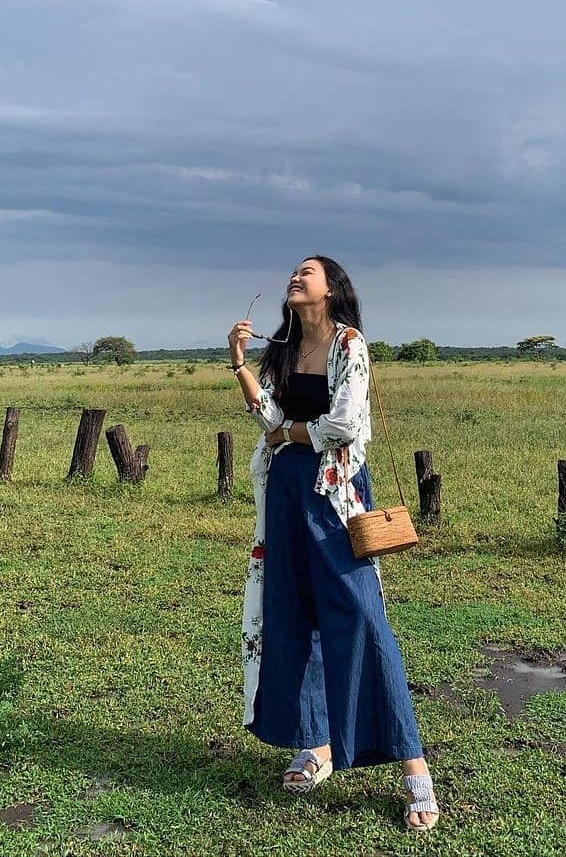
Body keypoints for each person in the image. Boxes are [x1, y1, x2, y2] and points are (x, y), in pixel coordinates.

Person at [226, 255, 440, 832]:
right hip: (285, 496)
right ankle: (316, 744)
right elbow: (267, 418)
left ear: (332, 288)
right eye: (293, 272)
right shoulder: (285, 349)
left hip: (335, 495)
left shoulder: (350, 344)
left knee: (362, 616)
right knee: (296, 616)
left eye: (308, 272)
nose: (296, 277)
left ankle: (413, 765)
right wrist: (241, 366)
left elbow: (343, 424)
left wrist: (294, 433)